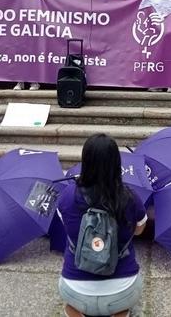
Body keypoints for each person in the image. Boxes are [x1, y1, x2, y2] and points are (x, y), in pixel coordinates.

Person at [57, 134, 147, 317]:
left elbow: (66, 226)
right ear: (116, 163)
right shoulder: (129, 196)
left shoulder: (67, 196)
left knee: (71, 304)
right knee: (122, 302)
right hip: (123, 290)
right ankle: (119, 312)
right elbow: (139, 231)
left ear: (85, 161)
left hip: (76, 289)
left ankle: (77, 311)